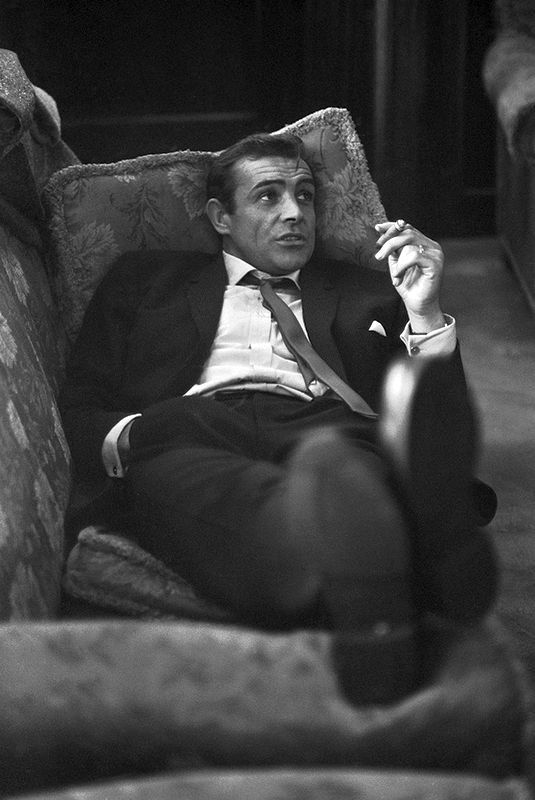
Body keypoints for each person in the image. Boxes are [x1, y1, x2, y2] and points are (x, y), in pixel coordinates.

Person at [60, 132, 497, 705]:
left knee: (352, 469)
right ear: (221, 216)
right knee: (186, 477)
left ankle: (355, 557)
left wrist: (427, 313)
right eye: (268, 196)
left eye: (305, 195)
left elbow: (436, 420)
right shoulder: (144, 280)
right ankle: (412, 563)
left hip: (326, 429)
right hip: (191, 428)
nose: (295, 213)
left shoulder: (369, 291)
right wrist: (136, 436)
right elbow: (81, 402)